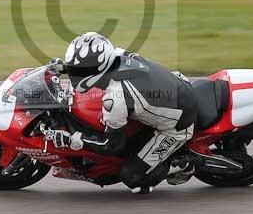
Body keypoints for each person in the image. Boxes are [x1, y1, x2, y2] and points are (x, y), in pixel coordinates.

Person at [45, 32, 198, 193]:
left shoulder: (116, 98)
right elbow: (90, 65)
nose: (76, 74)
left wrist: (75, 141)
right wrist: (66, 66)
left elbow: (111, 146)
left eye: (79, 70)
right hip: (178, 86)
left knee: (132, 176)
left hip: (179, 125)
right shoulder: (115, 54)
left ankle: (183, 164)